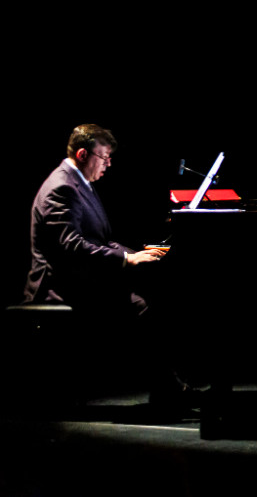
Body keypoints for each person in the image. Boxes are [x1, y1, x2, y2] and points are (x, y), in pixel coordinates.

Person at [24, 123, 193, 411]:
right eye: (104, 157)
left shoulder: (78, 183)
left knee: (148, 296)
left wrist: (137, 253)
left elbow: (98, 239)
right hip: (59, 286)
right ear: (82, 154)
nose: (108, 164)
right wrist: (127, 260)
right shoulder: (62, 187)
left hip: (79, 278)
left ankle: (169, 387)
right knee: (140, 306)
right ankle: (168, 388)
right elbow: (71, 247)